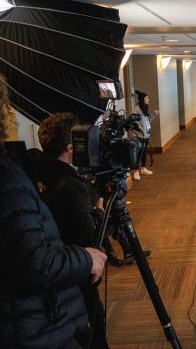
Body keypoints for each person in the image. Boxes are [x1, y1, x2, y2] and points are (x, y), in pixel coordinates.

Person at [0, 77, 107, 348]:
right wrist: (98, 223)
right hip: (38, 319)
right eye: (5, 105)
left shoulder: (34, 168)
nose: (9, 110)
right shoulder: (10, 176)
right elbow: (38, 261)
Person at [36, 112, 110, 348]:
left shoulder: (40, 171)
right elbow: (88, 238)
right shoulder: (71, 186)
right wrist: (99, 211)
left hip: (56, 269)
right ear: (71, 147)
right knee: (93, 323)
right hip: (75, 274)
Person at [132, 90, 159, 181]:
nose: (148, 99)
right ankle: (136, 171)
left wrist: (154, 115)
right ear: (142, 99)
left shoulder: (145, 108)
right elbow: (134, 121)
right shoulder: (137, 108)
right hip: (140, 136)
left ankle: (143, 168)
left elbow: (147, 121)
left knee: (144, 152)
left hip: (146, 135)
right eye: (146, 98)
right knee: (138, 153)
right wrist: (140, 131)